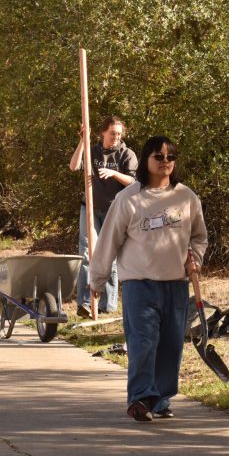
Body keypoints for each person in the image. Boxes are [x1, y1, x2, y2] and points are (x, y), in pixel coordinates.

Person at [90, 135, 207, 422]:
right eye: (159, 156)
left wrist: (196, 258)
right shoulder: (129, 199)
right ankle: (140, 398)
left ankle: (160, 399)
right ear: (146, 160)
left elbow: (199, 236)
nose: (165, 161)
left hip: (176, 284)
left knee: (170, 344)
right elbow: (108, 241)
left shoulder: (186, 197)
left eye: (170, 157)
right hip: (139, 285)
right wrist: (97, 279)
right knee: (143, 342)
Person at [69, 116, 138, 318]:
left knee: (110, 255)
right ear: (103, 133)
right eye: (112, 133)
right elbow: (74, 166)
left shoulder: (127, 154)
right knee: (86, 253)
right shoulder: (93, 150)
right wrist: (83, 140)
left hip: (114, 210)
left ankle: (107, 305)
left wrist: (113, 173)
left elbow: (134, 183)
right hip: (89, 208)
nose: (116, 137)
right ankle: (84, 303)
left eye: (119, 134)